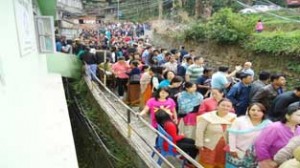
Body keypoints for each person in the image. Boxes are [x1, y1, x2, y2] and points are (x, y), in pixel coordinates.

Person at [254, 101, 300, 168]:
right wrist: (267, 161)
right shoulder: (275, 127)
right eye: (298, 115)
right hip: (270, 163)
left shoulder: (298, 129)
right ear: (287, 116)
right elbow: (260, 144)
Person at [226, 103, 272, 168]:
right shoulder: (240, 120)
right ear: (248, 111)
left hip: (256, 155)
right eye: (253, 110)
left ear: (263, 113)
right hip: (238, 151)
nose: (255, 112)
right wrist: (232, 149)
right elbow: (232, 134)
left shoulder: (268, 124)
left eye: (259, 111)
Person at [195, 98, 237, 168]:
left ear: (231, 108)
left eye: (228, 106)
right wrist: (199, 143)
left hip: (224, 147)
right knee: (207, 164)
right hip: (209, 145)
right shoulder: (207, 117)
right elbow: (199, 130)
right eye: (223, 105)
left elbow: (235, 133)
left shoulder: (233, 118)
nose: (225, 107)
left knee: (221, 163)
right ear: (217, 106)